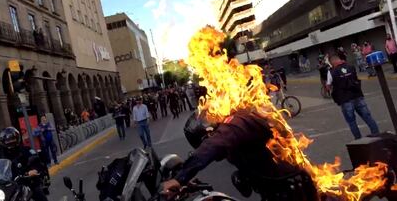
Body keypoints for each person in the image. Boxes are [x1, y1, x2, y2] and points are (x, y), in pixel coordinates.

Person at [162, 110, 317, 201]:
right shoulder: (228, 130)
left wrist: (179, 178)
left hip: (291, 189)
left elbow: (214, 145)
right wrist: (187, 182)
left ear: (210, 133)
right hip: (271, 189)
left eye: (204, 141)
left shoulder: (236, 122)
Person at [326, 55, 380, 139]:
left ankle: (358, 139)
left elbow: (328, 86)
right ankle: (376, 132)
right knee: (367, 116)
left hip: (345, 99)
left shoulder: (331, 71)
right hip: (357, 95)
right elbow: (355, 78)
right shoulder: (350, 67)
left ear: (332, 62)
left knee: (351, 121)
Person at [0, 127, 49, 201]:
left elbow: (36, 162)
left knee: (38, 194)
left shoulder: (25, 150)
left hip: (27, 183)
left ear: (17, 139)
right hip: (7, 188)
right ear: (3, 141)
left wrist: (34, 170)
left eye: (13, 139)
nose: (11, 141)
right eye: (8, 140)